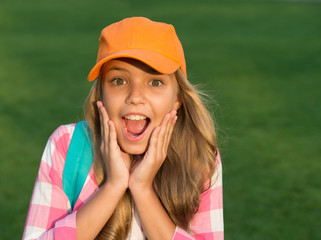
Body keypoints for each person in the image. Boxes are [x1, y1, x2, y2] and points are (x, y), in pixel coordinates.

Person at [22, 17, 223, 240]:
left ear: (177, 99)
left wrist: (143, 189)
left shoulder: (198, 155)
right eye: (119, 81)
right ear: (100, 94)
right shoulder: (68, 144)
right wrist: (113, 187)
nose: (135, 97)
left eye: (155, 82)